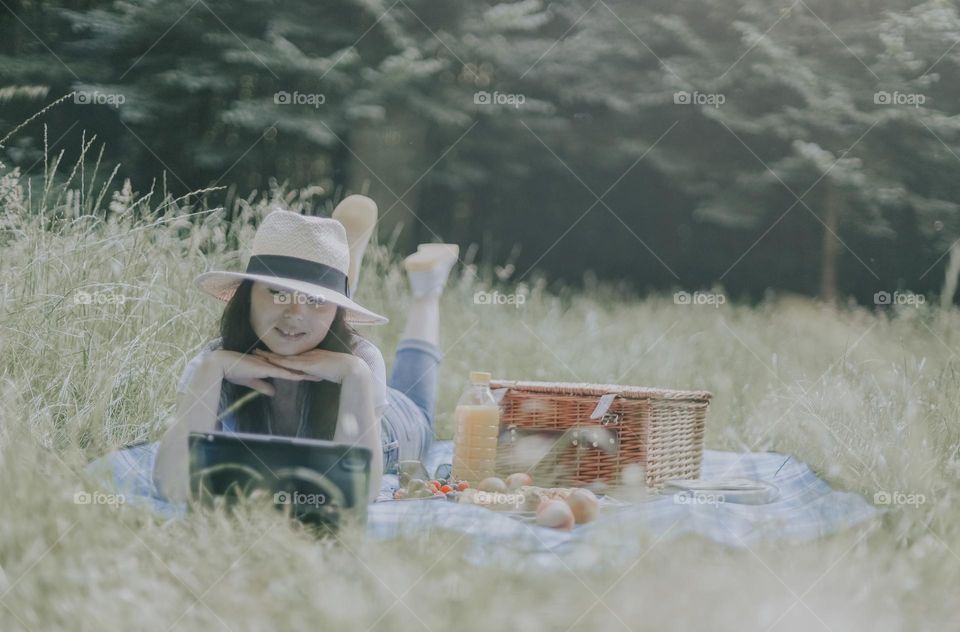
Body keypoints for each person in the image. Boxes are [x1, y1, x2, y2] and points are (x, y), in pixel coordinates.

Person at [84, 196, 458, 506]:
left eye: (316, 299)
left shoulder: (361, 359)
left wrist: (356, 376)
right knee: (306, 325)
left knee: (422, 411)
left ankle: (428, 288)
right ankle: (343, 277)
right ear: (247, 297)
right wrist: (212, 370)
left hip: (388, 428)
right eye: (277, 293)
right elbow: (170, 487)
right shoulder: (217, 357)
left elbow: (358, 495)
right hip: (325, 333)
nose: (294, 313)